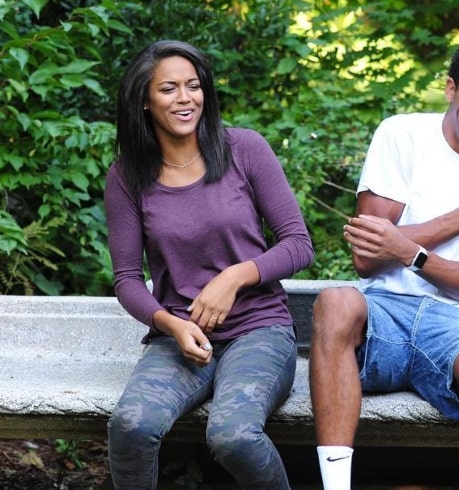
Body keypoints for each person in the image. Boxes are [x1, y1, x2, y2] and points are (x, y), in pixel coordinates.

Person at [309, 36, 459, 490]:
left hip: (456, 321)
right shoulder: (401, 135)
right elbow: (366, 260)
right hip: (383, 311)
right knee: (336, 302)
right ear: (451, 89)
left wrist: (406, 249)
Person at [104, 40, 314, 490]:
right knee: (130, 426)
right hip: (181, 337)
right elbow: (125, 279)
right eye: (169, 89)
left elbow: (299, 245)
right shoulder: (127, 175)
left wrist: (235, 277)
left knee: (233, 436)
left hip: (259, 330)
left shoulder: (244, 149)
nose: (185, 98)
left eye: (193, 86)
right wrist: (170, 325)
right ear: (144, 100)